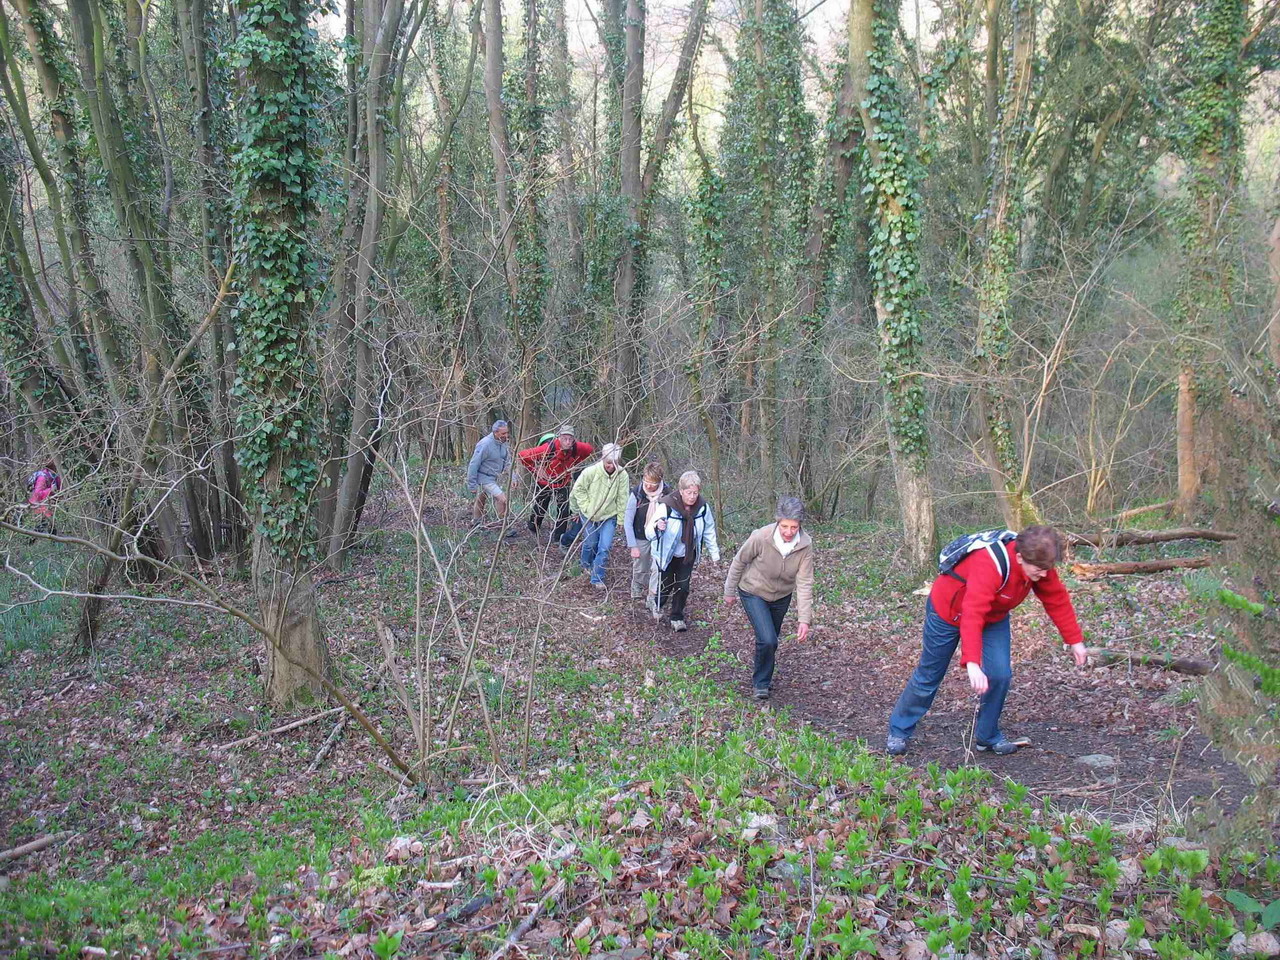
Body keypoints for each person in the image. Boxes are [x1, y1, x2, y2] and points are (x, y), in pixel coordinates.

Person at [885, 525, 1089, 757]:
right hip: (947, 612)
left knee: (1000, 674)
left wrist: (1075, 641)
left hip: (994, 616)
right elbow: (972, 612)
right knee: (929, 675)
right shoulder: (989, 563)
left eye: (1047, 569)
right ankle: (899, 731)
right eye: (1039, 569)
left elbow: (1056, 599)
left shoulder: (1041, 563)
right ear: (1020, 557)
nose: (1044, 574)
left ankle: (987, 736)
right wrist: (972, 663)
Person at [724, 496, 815, 701]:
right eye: (784, 526)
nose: (789, 532)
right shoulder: (761, 537)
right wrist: (729, 591)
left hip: (782, 596)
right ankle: (761, 684)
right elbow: (739, 561)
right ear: (777, 522)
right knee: (767, 638)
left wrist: (804, 620)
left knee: (770, 642)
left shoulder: (805, 545)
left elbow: (805, 582)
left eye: (793, 527)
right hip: (753, 591)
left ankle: (762, 676)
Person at [647, 470, 720, 632]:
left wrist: (715, 555)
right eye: (689, 493)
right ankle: (657, 603)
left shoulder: (702, 509)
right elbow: (649, 533)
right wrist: (657, 526)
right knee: (665, 585)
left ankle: (677, 617)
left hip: (687, 554)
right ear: (681, 491)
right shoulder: (667, 506)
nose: (692, 496)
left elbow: (709, 530)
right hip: (667, 554)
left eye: (695, 492)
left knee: (683, 586)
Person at [565, 443, 629, 590]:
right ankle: (585, 565)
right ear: (602, 459)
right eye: (608, 463)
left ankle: (597, 577)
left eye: (614, 463)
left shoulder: (622, 475)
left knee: (604, 547)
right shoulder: (590, 472)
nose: (611, 466)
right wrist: (580, 509)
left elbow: (622, 498)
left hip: (609, 516)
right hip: (589, 515)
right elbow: (577, 491)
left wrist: (620, 519)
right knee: (590, 544)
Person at [517, 425, 593, 541]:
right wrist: (536, 469)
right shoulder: (548, 448)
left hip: (563, 482)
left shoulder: (576, 448)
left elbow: (589, 450)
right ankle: (533, 528)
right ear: (559, 438)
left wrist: (574, 463)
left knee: (564, 510)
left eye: (570, 439)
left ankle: (558, 538)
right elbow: (522, 456)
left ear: (574, 439)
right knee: (540, 508)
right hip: (545, 482)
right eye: (564, 439)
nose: (567, 442)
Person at [624, 462, 670, 605]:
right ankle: (637, 585)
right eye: (646, 481)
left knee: (657, 567)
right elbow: (627, 520)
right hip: (640, 535)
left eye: (653, 483)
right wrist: (633, 545)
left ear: (660, 480)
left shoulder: (668, 494)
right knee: (640, 564)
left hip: (659, 537)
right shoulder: (637, 493)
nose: (649, 486)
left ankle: (652, 596)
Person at [466, 420, 512, 524]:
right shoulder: (485, 444)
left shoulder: (503, 443)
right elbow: (474, 464)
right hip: (483, 477)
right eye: (503, 433)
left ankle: (476, 522)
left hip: (494, 476)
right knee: (502, 499)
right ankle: (504, 525)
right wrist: (472, 484)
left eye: (507, 433)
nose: (506, 435)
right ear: (496, 433)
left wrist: (513, 477)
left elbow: (508, 462)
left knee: (481, 499)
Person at [26, 460, 62, 535]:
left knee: (51, 530)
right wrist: (50, 490)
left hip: (51, 506)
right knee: (39, 529)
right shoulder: (42, 477)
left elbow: (60, 490)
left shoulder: (56, 477)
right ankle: (28, 543)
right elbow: (37, 494)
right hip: (40, 507)